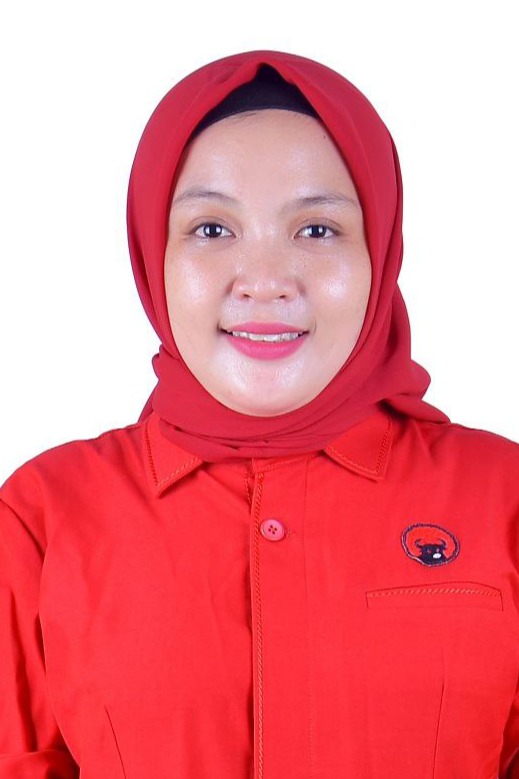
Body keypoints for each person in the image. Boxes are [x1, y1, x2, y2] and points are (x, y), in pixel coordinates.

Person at [1, 49, 518, 779]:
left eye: (317, 229)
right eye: (212, 229)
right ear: (152, 254)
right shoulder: (44, 516)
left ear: (380, 252)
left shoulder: (501, 496)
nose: (266, 281)